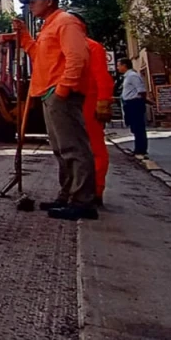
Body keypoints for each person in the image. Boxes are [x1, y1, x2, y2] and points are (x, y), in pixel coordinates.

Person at [13, 0, 98, 220]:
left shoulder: (66, 22)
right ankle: (68, 196)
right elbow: (38, 55)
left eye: (34, 1)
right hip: (49, 92)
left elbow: (77, 57)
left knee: (73, 148)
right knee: (61, 149)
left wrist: (63, 88)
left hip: (59, 92)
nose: (30, 5)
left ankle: (82, 201)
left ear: (49, 1)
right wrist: (24, 36)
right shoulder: (48, 26)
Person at [67, 12, 115, 206]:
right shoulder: (71, 47)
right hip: (72, 102)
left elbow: (102, 77)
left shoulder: (92, 47)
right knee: (76, 149)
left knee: (93, 148)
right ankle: (80, 189)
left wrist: (103, 101)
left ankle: (94, 190)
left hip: (88, 102)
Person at [117, 58, 148, 155]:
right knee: (134, 127)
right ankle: (138, 148)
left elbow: (141, 90)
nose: (118, 68)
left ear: (124, 65)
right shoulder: (127, 77)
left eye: (119, 65)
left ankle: (141, 149)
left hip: (134, 103)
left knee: (138, 126)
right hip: (130, 104)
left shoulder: (132, 76)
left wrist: (142, 102)